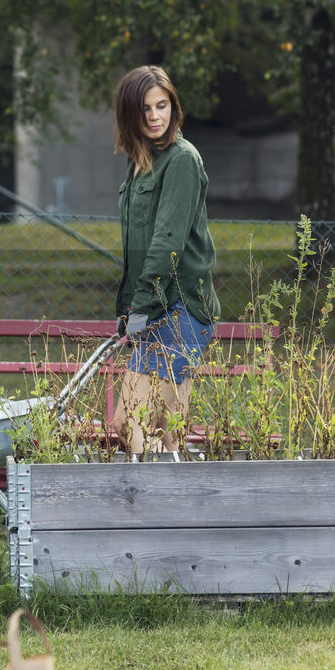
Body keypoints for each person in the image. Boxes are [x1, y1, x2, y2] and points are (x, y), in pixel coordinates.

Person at [110, 65, 221, 455]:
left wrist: (140, 307)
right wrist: (129, 307)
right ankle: (177, 511)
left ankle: (150, 510)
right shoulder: (141, 161)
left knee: (129, 423)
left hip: (181, 308)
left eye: (163, 106)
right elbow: (136, 245)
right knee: (165, 433)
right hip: (156, 306)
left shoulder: (182, 160)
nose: (155, 116)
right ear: (130, 114)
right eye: (145, 109)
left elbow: (166, 243)